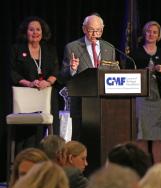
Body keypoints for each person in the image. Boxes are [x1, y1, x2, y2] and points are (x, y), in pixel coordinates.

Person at [60, 14, 116, 141]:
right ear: (84, 29)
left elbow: (112, 72)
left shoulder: (109, 48)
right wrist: (72, 69)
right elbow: (62, 75)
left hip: (103, 103)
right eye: (91, 30)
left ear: (102, 30)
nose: (95, 33)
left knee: (103, 138)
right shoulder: (72, 47)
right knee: (81, 139)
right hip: (81, 103)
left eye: (98, 30)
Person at [130, 21, 161, 163]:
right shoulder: (135, 54)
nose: (151, 34)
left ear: (159, 36)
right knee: (142, 133)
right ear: (144, 33)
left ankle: (157, 167)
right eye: (149, 31)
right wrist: (143, 73)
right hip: (141, 98)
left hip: (160, 98)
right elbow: (128, 75)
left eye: (154, 32)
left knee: (159, 135)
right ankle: (144, 166)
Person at [10, 16, 60, 150]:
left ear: (42, 32)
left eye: (38, 29)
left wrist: (48, 82)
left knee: (53, 133)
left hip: (48, 96)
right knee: (28, 137)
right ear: (25, 32)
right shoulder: (17, 49)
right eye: (31, 29)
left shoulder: (50, 49)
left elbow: (56, 71)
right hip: (26, 98)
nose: (35, 32)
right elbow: (12, 73)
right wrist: (29, 83)